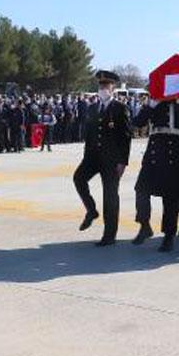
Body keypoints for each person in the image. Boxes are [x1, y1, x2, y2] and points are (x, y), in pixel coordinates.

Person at [74, 69, 133, 246]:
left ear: (113, 88)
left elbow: (126, 136)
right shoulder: (92, 108)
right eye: (100, 85)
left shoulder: (120, 108)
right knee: (78, 178)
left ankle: (109, 234)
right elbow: (90, 134)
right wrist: (86, 157)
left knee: (110, 196)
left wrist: (123, 161)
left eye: (106, 85)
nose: (103, 88)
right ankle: (91, 210)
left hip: (111, 160)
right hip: (93, 157)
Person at [130, 97, 179, 252]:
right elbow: (137, 122)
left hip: (174, 152)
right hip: (154, 151)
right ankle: (144, 225)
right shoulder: (154, 101)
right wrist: (149, 106)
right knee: (141, 190)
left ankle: (169, 234)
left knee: (170, 197)